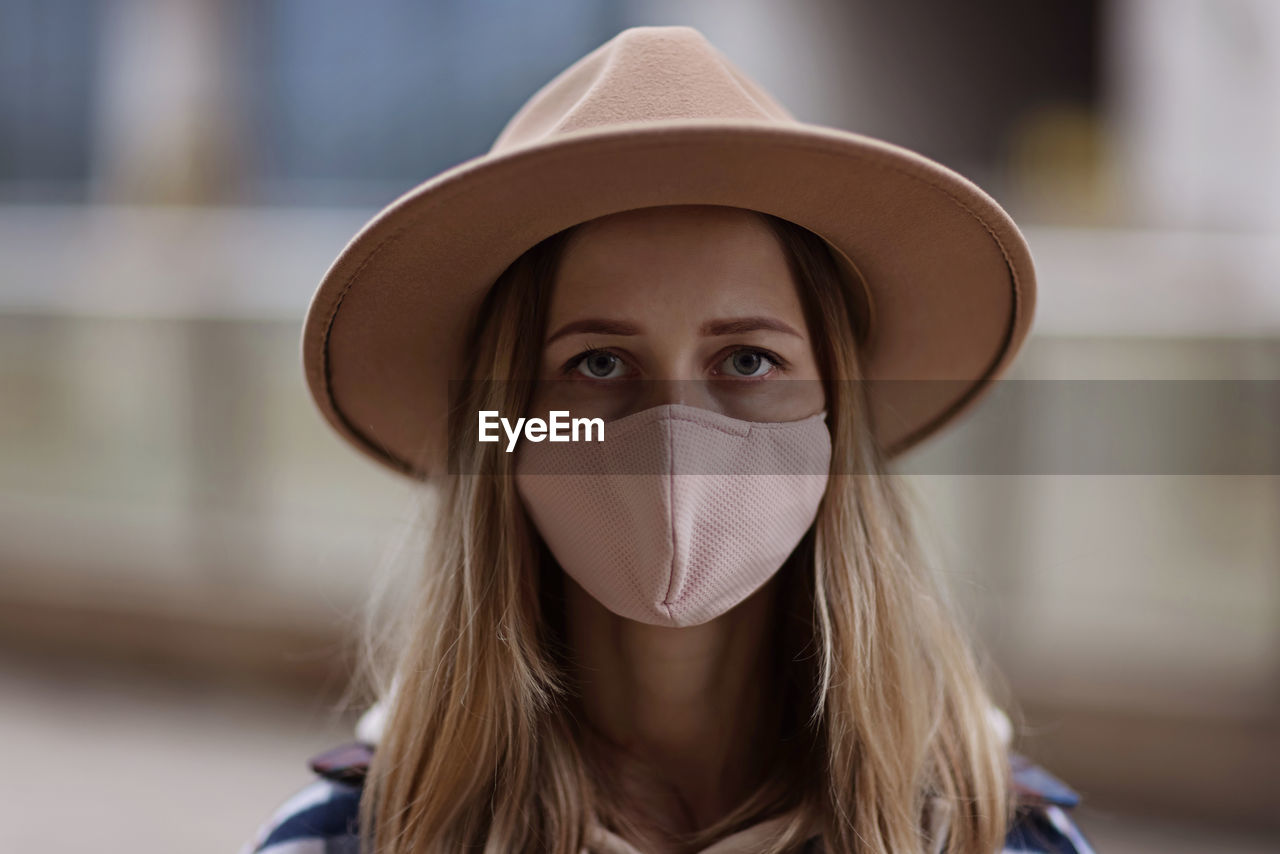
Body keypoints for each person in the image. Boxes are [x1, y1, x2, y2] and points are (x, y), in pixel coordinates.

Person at [240, 25, 1096, 854]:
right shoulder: (340, 842)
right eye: (600, 361)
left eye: (749, 359)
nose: (677, 439)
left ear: (836, 420)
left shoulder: (995, 838)